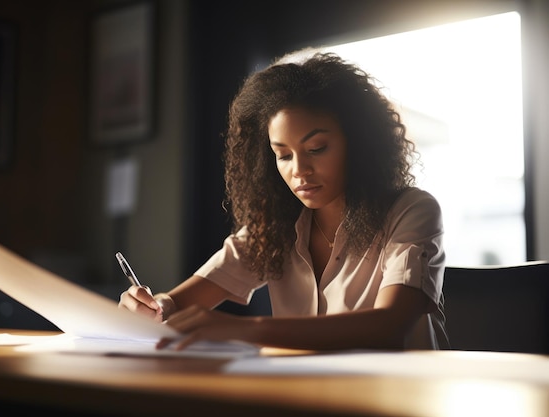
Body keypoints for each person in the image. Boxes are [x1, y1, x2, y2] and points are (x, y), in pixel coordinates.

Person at [119, 48, 449, 351]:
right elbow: (180, 301)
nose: (299, 170)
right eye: (283, 155)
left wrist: (246, 330)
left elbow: (390, 325)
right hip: (304, 395)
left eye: (316, 149)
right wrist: (156, 306)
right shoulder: (274, 227)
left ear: (358, 143)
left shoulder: (412, 211)